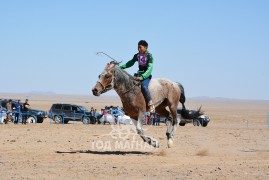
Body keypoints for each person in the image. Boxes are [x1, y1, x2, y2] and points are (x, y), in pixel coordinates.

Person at [119, 40, 155, 113]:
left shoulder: (149, 56)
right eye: (138, 47)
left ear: (146, 48)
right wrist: (120, 67)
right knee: (128, 85)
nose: (138, 49)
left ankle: (151, 104)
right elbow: (130, 63)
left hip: (146, 76)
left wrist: (142, 77)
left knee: (144, 87)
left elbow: (149, 69)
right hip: (138, 75)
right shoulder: (137, 55)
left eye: (140, 47)